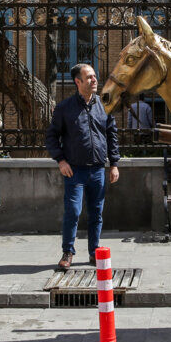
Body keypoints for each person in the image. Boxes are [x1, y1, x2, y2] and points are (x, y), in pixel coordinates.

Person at [45, 63, 120, 270]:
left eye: (94, 76)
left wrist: (114, 163)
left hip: (98, 170)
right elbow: (51, 137)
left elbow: (112, 135)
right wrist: (60, 160)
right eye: (89, 77)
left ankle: (94, 252)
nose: (94, 80)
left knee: (96, 213)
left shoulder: (104, 105)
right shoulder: (65, 108)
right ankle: (68, 252)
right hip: (75, 171)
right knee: (73, 211)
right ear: (77, 82)